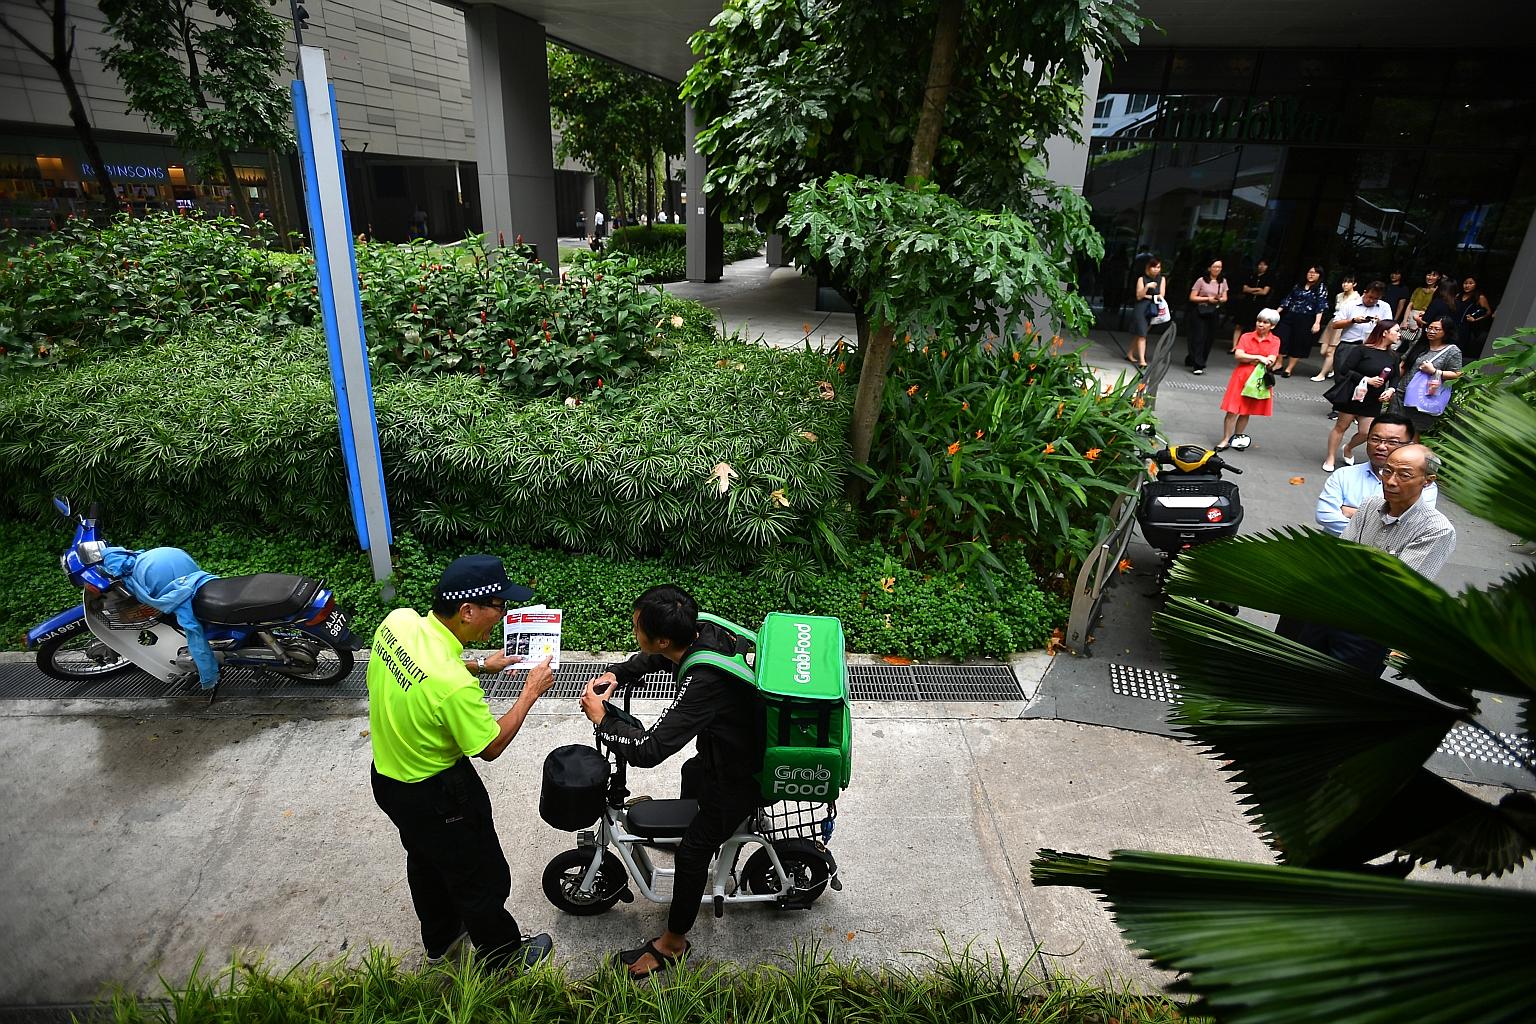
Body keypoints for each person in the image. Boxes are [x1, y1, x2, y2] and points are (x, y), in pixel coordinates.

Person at [366, 554, 556, 972]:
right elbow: (489, 746)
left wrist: (481, 664)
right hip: (440, 794)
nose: (503, 616)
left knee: (426, 863)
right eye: (499, 607)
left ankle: (442, 941)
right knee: (478, 876)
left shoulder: (398, 623)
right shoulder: (452, 688)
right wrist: (530, 692)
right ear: (468, 610)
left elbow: (427, 665)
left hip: (390, 779)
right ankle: (503, 956)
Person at [579, 586, 764, 980]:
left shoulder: (703, 681)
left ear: (664, 638)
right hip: (725, 753)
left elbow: (649, 749)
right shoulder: (703, 633)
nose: (633, 628)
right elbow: (655, 660)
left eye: (637, 625)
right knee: (691, 773)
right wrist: (618, 673)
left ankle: (673, 944)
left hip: (741, 776)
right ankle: (700, 834)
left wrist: (602, 720)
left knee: (693, 855)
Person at [1279, 444, 1455, 674]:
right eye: (1387, 471)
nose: (1391, 481)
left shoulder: (1436, 530)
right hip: (1328, 609)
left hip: (1369, 629)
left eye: (1404, 475)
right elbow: (1340, 556)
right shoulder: (1371, 505)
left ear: (1428, 480)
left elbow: (1395, 588)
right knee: (1297, 674)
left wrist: (1357, 568)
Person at [1314, 412, 1438, 536]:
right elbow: (1325, 516)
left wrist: (1351, 512)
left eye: (1392, 442)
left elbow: (1411, 526)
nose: (1381, 446)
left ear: (1409, 445)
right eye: (1375, 439)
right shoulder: (1343, 475)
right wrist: (1383, 528)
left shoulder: (1423, 485)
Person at [1323, 319, 1399, 473]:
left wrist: (1391, 389)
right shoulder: (1362, 350)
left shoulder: (1393, 355)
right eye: (1396, 331)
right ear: (1385, 333)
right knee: (1341, 426)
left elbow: (1395, 376)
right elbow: (1345, 370)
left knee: (1367, 432)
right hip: (1354, 393)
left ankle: (1348, 447)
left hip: (1374, 398)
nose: (1399, 335)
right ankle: (1330, 457)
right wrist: (1366, 379)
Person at [1216, 307, 1281, 452]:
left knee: (1246, 410)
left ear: (1272, 326)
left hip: (1258, 378)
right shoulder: (1246, 336)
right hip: (1241, 376)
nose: (1261, 324)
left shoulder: (1275, 340)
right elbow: (1239, 355)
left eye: (1265, 322)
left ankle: (1237, 438)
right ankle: (1225, 439)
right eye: (1259, 321)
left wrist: (1251, 358)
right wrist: (1258, 357)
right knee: (1232, 410)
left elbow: (1272, 359)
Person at [1398, 316, 1464, 435]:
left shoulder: (1452, 351)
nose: (1431, 331)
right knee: (1392, 427)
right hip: (1402, 392)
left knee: (1411, 433)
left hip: (1422, 397)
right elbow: (1404, 364)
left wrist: (1434, 371)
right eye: (1429, 328)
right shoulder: (1420, 344)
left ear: (1446, 331)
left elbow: (1457, 373)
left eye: (1437, 329)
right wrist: (1393, 386)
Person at [1275, 265, 1330, 378]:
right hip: (1291, 315)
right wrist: (1276, 313)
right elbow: (1288, 299)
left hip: (1306, 318)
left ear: (1319, 275)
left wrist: (1317, 322)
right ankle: (1279, 363)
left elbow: (1321, 305)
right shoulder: (1299, 285)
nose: (1311, 274)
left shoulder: (1321, 288)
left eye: (1315, 273)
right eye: (1310, 272)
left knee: (1298, 343)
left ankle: (1289, 368)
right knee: (1281, 337)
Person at [1311, 274, 1360, 381]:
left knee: (1330, 351)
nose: (1345, 284)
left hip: (1344, 323)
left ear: (1354, 284)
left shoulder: (1357, 298)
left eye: (1349, 282)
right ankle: (1333, 367)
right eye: (1344, 282)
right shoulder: (1339, 295)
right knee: (1323, 350)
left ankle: (1322, 374)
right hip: (1333, 321)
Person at [1185, 258, 1228, 375]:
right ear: (1209, 268)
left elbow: (1225, 297)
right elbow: (1192, 297)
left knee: (1209, 338)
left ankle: (1198, 359)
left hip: (1213, 311)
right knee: (1198, 337)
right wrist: (1207, 299)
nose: (1217, 269)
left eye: (1219, 267)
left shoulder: (1223, 281)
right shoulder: (1201, 281)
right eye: (1215, 267)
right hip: (1200, 310)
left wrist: (1220, 299)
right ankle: (1197, 364)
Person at [1126, 255, 1166, 369]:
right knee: (1142, 334)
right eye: (1154, 267)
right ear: (1148, 268)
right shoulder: (1142, 279)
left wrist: (1149, 297)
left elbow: (1161, 295)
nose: (1156, 269)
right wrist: (1147, 287)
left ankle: (1130, 353)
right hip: (1141, 308)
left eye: (1158, 267)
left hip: (1153, 308)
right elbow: (1139, 296)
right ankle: (1142, 360)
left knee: (1141, 332)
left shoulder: (1162, 279)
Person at [1229, 258, 1274, 353]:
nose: (1262, 267)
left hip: (1259, 304)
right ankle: (1235, 346)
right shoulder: (1251, 275)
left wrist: (1251, 290)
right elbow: (1245, 289)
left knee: (1256, 326)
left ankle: (1251, 349)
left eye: (1264, 265)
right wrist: (1257, 289)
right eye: (1260, 264)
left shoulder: (1268, 278)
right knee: (1239, 324)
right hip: (1246, 303)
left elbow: (1264, 292)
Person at [1453, 276, 1495, 362]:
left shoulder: (1480, 297)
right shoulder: (1458, 295)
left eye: (1470, 283)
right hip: (1454, 323)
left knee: (1459, 347)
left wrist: (1475, 319)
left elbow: (1487, 312)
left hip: (1467, 327)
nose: (1467, 285)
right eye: (1465, 283)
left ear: (1476, 285)